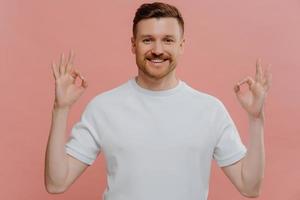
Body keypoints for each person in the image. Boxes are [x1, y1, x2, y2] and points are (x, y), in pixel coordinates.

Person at [44, 2, 272, 200]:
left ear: (181, 45)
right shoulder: (103, 107)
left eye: (168, 40)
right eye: (147, 40)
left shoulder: (210, 110)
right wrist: (60, 109)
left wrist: (255, 118)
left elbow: (249, 186)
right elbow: (57, 183)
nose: (157, 50)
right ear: (133, 45)